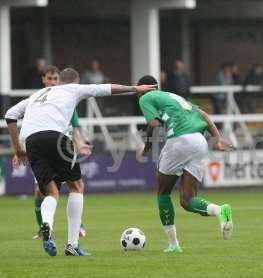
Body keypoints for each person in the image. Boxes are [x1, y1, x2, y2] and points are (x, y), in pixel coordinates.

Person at [5, 68, 156, 256]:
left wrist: (18, 149)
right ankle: (72, 245)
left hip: (32, 142)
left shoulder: (37, 95)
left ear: (60, 80)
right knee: (76, 187)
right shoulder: (73, 89)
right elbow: (105, 88)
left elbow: (10, 114)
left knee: (50, 191)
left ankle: (46, 225)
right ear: (75, 82)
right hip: (57, 138)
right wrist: (134, 88)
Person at [138, 75, 234, 253]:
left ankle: (174, 245)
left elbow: (153, 123)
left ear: (141, 88)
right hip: (200, 141)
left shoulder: (145, 97)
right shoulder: (174, 97)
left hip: (180, 141)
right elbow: (204, 115)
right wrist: (218, 139)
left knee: (163, 192)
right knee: (187, 200)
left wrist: (147, 146)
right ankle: (219, 210)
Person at [30, 65, 90, 240]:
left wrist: (79, 143)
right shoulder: (37, 99)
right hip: (42, 149)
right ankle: (44, 229)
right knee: (40, 192)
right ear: (43, 80)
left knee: (73, 187)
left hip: (61, 149)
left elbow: (75, 127)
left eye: (55, 79)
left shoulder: (66, 100)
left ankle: (78, 224)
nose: (52, 82)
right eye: (49, 78)